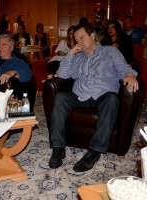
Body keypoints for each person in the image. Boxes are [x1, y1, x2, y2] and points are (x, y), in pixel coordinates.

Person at [48, 24, 138, 172]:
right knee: (60, 97)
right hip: (81, 95)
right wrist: (71, 54)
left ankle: (94, 151)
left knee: (112, 99)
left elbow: (123, 67)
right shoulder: (77, 57)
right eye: (77, 40)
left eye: (82, 38)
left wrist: (129, 75)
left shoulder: (110, 51)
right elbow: (63, 74)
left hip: (103, 95)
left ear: (92, 36)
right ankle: (58, 148)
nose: (79, 42)